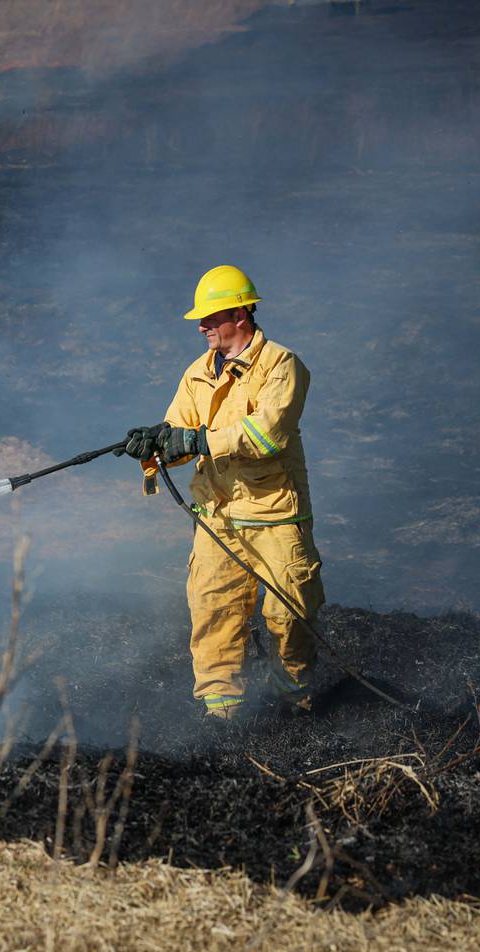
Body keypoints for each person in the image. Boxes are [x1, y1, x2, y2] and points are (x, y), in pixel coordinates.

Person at [121, 265, 323, 721]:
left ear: (240, 315)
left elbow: (267, 435)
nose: (201, 327)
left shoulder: (282, 366)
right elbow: (180, 434)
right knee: (213, 612)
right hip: (216, 515)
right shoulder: (197, 373)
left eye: (211, 318)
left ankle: (293, 701)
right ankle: (221, 715)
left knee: (290, 614)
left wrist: (196, 441)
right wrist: (155, 444)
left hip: (274, 515)